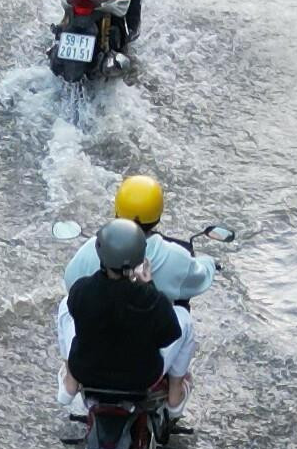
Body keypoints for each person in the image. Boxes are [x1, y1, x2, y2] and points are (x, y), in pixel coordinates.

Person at [57, 177, 214, 425]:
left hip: (87, 368)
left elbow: (73, 298)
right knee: (183, 320)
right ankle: (175, 395)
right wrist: (148, 286)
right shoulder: (150, 298)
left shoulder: (83, 290)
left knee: (64, 305)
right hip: (141, 377)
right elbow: (168, 333)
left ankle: (70, 380)